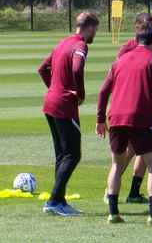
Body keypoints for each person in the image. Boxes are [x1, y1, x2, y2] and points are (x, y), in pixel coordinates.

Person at [96, 25, 152, 225]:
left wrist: (100, 119)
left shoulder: (119, 61)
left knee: (116, 164)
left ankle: (113, 213)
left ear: (136, 39)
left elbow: (103, 91)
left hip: (115, 118)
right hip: (140, 118)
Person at [38, 12, 99, 216]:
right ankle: (54, 201)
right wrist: (79, 93)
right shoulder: (80, 45)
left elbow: (42, 69)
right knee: (73, 154)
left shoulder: (62, 43)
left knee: (62, 155)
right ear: (89, 27)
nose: (94, 35)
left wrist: (54, 87)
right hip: (64, 105)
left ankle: (60, 201)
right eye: (95, 30)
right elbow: (77, 67)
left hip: (50, 103)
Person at [102, 13, 152, 205]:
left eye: (151, 24)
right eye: (145, 25)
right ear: (136, 27)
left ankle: (133, 191)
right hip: (128, 105)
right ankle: (111, 191)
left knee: (141, 152)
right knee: (129, 153)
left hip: (145, 106)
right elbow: (119, 74)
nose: (149, 28)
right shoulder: (128, 48)